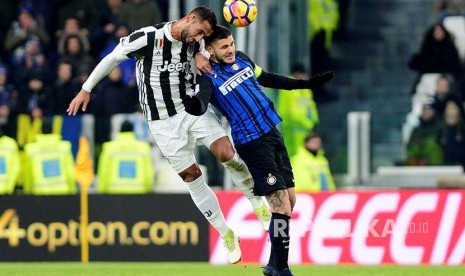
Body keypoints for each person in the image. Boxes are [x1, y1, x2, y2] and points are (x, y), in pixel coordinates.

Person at [67, 6, 270, 264]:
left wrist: (200, 52)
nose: (198, 39)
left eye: (202, 37)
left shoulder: (195, 43)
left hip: (191, 109)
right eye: (198, 32)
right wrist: (87, 89)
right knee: (191, 176)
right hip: (161, 122)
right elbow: (113, 58)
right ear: (189, 19)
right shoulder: (147, 38)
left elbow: (214, 50)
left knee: (226, 153)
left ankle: (258, 204)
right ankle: (226, 233)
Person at [185, 25, 334, 276]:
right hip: (252, 143)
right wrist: (194, 105)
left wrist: (305, 84)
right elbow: (201, 101)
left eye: (231, 44)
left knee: (290, 201)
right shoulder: (208, 76)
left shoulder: (242, 58)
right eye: (224, 47)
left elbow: (266, 78)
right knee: (280, 207)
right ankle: (280, 267)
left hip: (273, 133)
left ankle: (274, 264)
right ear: (209, 50)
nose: (231, 49)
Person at [97, 120, 154, 193]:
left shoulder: (109, 148)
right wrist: (149, 189)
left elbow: (103, 172)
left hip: (114, 193)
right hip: (139, 193)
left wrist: (101, 190)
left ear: (120, 130)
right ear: (133, 131)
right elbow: (149, 173)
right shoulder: (143, 148)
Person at [277, 63, 319, 158]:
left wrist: (314, 121)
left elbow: (311, 106)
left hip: (306, 128)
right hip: (292, 128)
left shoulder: (306, 89)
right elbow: (292, 111)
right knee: (293, 153)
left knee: (304, 155)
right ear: (298, 74)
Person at [23, 120, 76, 195]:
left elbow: (28, 174)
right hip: (62, 192)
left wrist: (28, 191)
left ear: (40, 131)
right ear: (53, 130)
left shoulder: (31, 149)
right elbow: (70, 171)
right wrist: (72, 190)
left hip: (40, 193)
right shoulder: (64, 147)